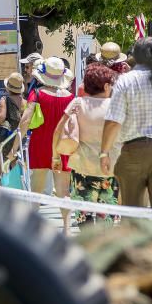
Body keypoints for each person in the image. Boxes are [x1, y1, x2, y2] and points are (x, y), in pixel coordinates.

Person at [100, 37, 152, 208]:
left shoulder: (126, 80)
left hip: (134, 150)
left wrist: (104, 152)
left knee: (133, 211)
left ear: (135, 56)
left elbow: (114, 120)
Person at [53, 63, 120, 228]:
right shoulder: (115, 105)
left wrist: (55, 156)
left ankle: (87, 251)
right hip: (109, 171)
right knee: (107, 222)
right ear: (105, 86)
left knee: (84, 222)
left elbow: (57, 130)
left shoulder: (77, 103)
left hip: (82, 170)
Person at [13, 56, 75, 229]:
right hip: (62, 146)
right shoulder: (70, 97)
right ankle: (67, 229)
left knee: (36, 189)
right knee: (64, 191)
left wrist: (14, 146)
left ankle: (31, 227)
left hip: (40, 144)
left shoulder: (37, 94)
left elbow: (25, 121)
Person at [0, 73, 25, 184]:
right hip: (18, 136)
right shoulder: (24, 101)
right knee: (15, 163)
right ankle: (20, 187)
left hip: (4, 138)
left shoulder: (5, 99)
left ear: (8, 87)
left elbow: (2, 116)